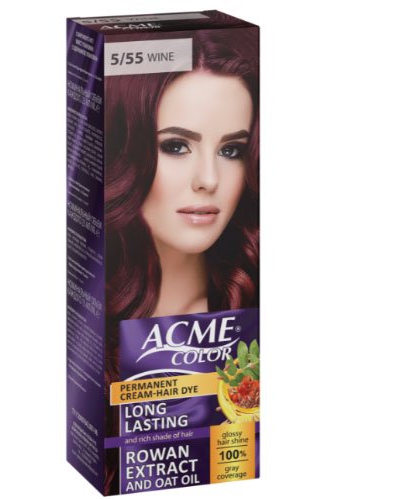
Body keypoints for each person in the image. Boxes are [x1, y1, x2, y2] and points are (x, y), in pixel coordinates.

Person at [103, 28, 259, 494]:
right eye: (175, 146)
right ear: (125, 153)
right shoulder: (89, 318)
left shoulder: (253, 305)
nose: (209, 179)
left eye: (231, 150)